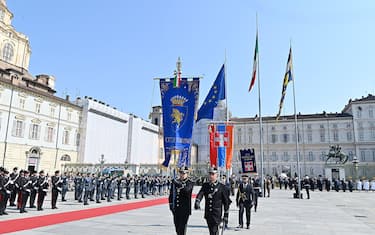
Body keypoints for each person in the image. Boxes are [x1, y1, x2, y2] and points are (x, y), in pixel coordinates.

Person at [194, 167, 230, 235]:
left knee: (214, 230)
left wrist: (226, 215)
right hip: (208, 213)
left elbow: (226, 202)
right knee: (211, 231)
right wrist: (197, 201)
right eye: (210, 174)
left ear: (217, 175)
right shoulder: (205, 185)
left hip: (217, 214)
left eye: (213, 174)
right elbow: (200, 194)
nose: (211, 176)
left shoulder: (221, 187)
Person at [169, 167, 194, 235]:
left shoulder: (190, 182)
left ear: (187, 174)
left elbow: (187, 190)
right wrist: (171, 204)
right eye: (180, 173)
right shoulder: (176, 181)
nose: (182, 175)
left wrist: (177, 183)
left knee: (182, 228)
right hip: (176, 209)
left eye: (183, 173)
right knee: (177, 227)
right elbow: (171, 194)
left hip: (185, 210)